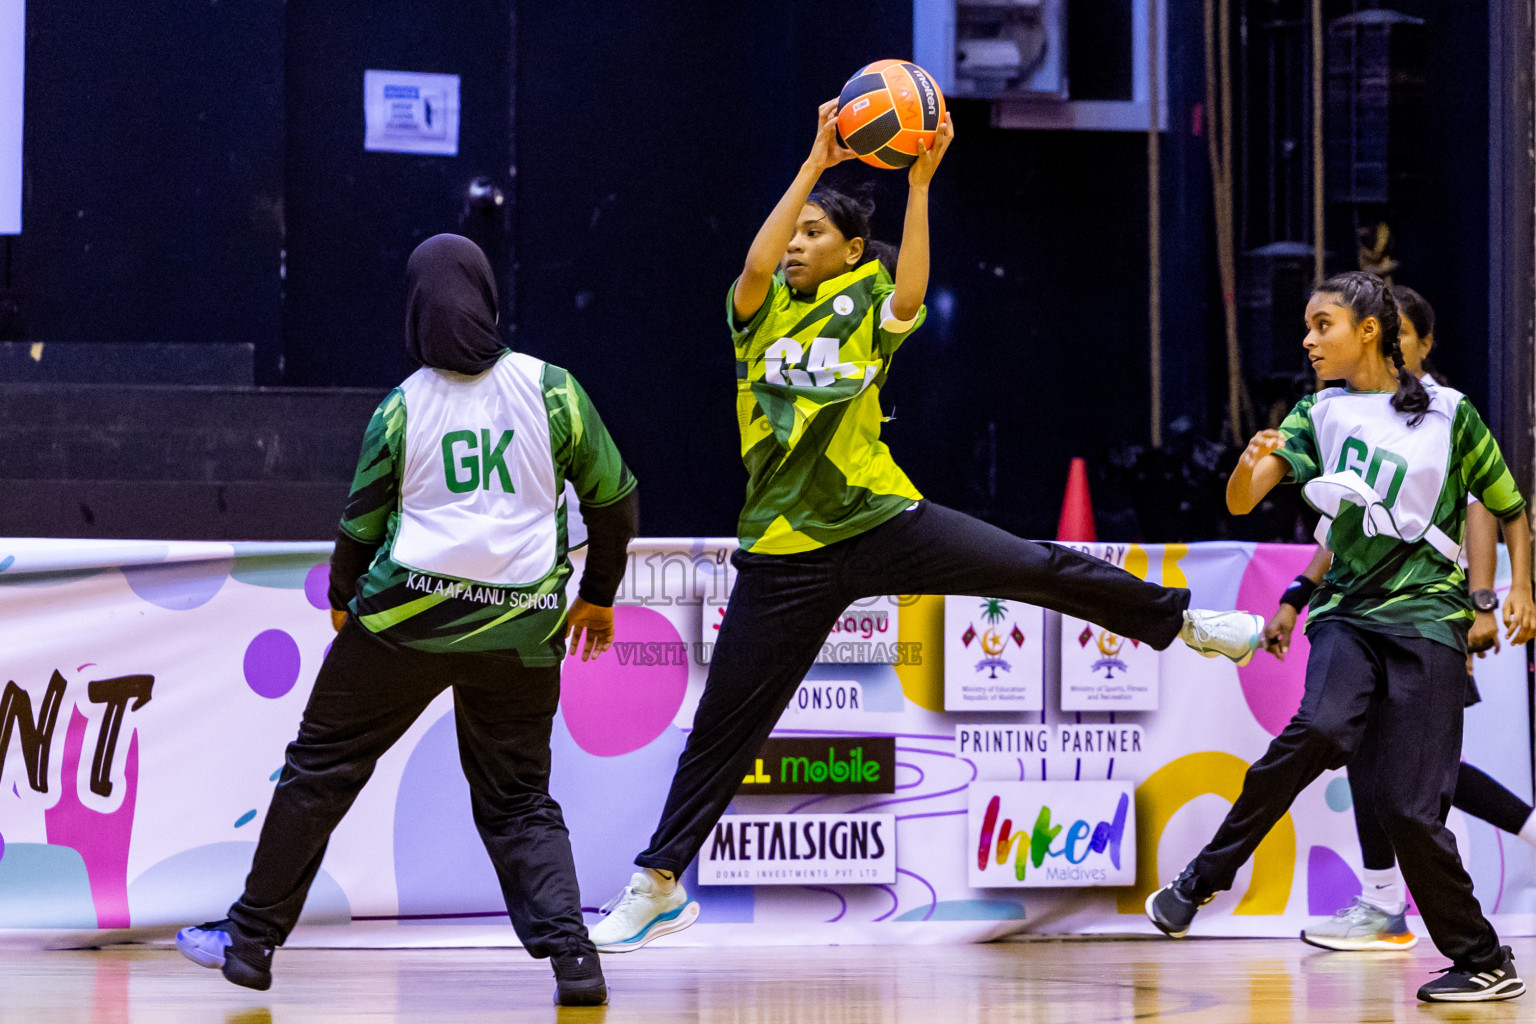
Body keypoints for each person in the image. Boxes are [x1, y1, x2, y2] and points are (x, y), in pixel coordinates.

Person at [588, 100, 1265, 953]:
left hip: (880, 519)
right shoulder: (755, 310)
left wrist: (919, 184)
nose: (794, 244)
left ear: (848, 250)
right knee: (725, 727)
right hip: (783, 552)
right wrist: (812, 163)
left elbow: (911, 286)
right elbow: (756, 262)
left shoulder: (867, 301)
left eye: (811, 233)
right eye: (791, 232)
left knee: (1031, 564)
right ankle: (657, 884)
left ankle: (1189, 622)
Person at [174, 234, 637, 1006]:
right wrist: (599, 594)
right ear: (488, 298)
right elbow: (615, 500)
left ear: (417, 309)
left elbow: (359, 525)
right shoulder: (554, 390)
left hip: (402, 627)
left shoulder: (401, 407)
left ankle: (250, 942)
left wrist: (343, 599)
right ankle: (575, 962)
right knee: (521, 801)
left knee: (319, 772)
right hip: (522, 633)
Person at [1147, 271, 1536, 1003]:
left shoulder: (1450, 413)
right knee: (1319, 727)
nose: (1307, 338)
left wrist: (1516, 590)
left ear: (1366, 330)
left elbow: (1507, 504)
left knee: (1410, 810)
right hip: (1348, 615)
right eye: (1307, 325)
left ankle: (1482, 957)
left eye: (1321, 323)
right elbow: (1242, 500)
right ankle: (1203, 878)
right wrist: (1246, 460)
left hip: (1428, 620)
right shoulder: (1318, 413)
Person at [1260, 285, 1536, 953]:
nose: (1392, 348)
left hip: (1426, 618)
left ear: (1409, 343)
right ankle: (1384, 903)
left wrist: (1482, 601)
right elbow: (1348, 531)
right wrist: (1297, 594)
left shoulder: (1442, 414)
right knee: (1380, 760)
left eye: (1401, 336)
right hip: (1367, 614)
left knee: (1420, 778)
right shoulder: (1349, 415)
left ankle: (1409, 908)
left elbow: (1486, 510)